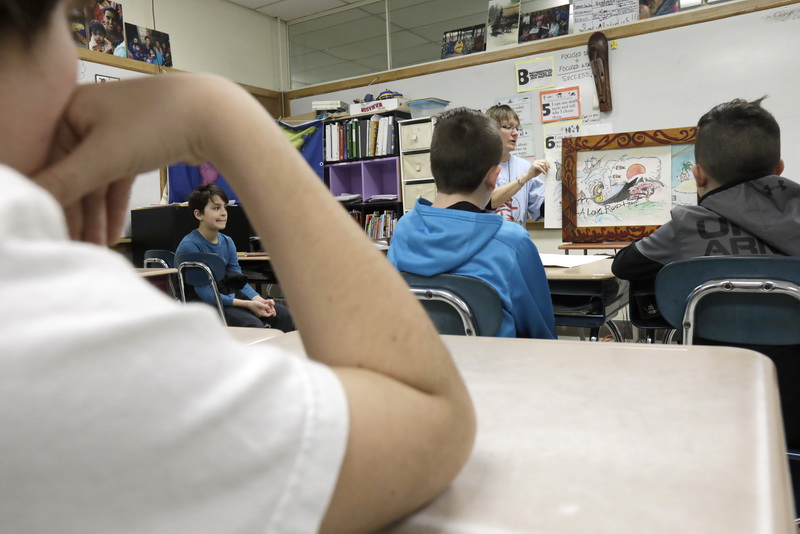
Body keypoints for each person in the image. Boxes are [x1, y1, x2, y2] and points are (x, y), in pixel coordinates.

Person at [0, 2, 476, 533]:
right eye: (67, 25)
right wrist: (221, 115)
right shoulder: (61, 322)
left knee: (282, 313)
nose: (224, 213)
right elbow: (429, 417)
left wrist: (254, 295)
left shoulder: (221, 245)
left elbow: (238, 277)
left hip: (240, 301)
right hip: (228, 311)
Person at [388, 107, 556, 340]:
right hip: (494, 371)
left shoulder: (404, 229)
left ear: (433, 168)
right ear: (494, 177)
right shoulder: (512, 242)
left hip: (423, 369)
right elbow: (542, 334)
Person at [175, 184, 295, 332]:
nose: (224, 213)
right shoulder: (190, 246)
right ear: (198, 214)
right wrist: (248, 304)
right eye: (216, 208)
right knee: (253, 326)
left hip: (226, 297)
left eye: (224, 207)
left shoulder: (227, 242)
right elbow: (207, 295)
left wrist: (259, 300)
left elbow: (238, 281)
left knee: (285, 315)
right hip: (204, 304)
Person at [484, 104, 551, 225]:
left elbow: (543, 207)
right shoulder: (478, 165)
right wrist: (525, 177)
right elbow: (487, 202)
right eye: (507, 127)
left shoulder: (524, 166)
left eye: (517, 128)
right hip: (488, 241)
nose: (515, 133)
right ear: (490, 131)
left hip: (516, 240)